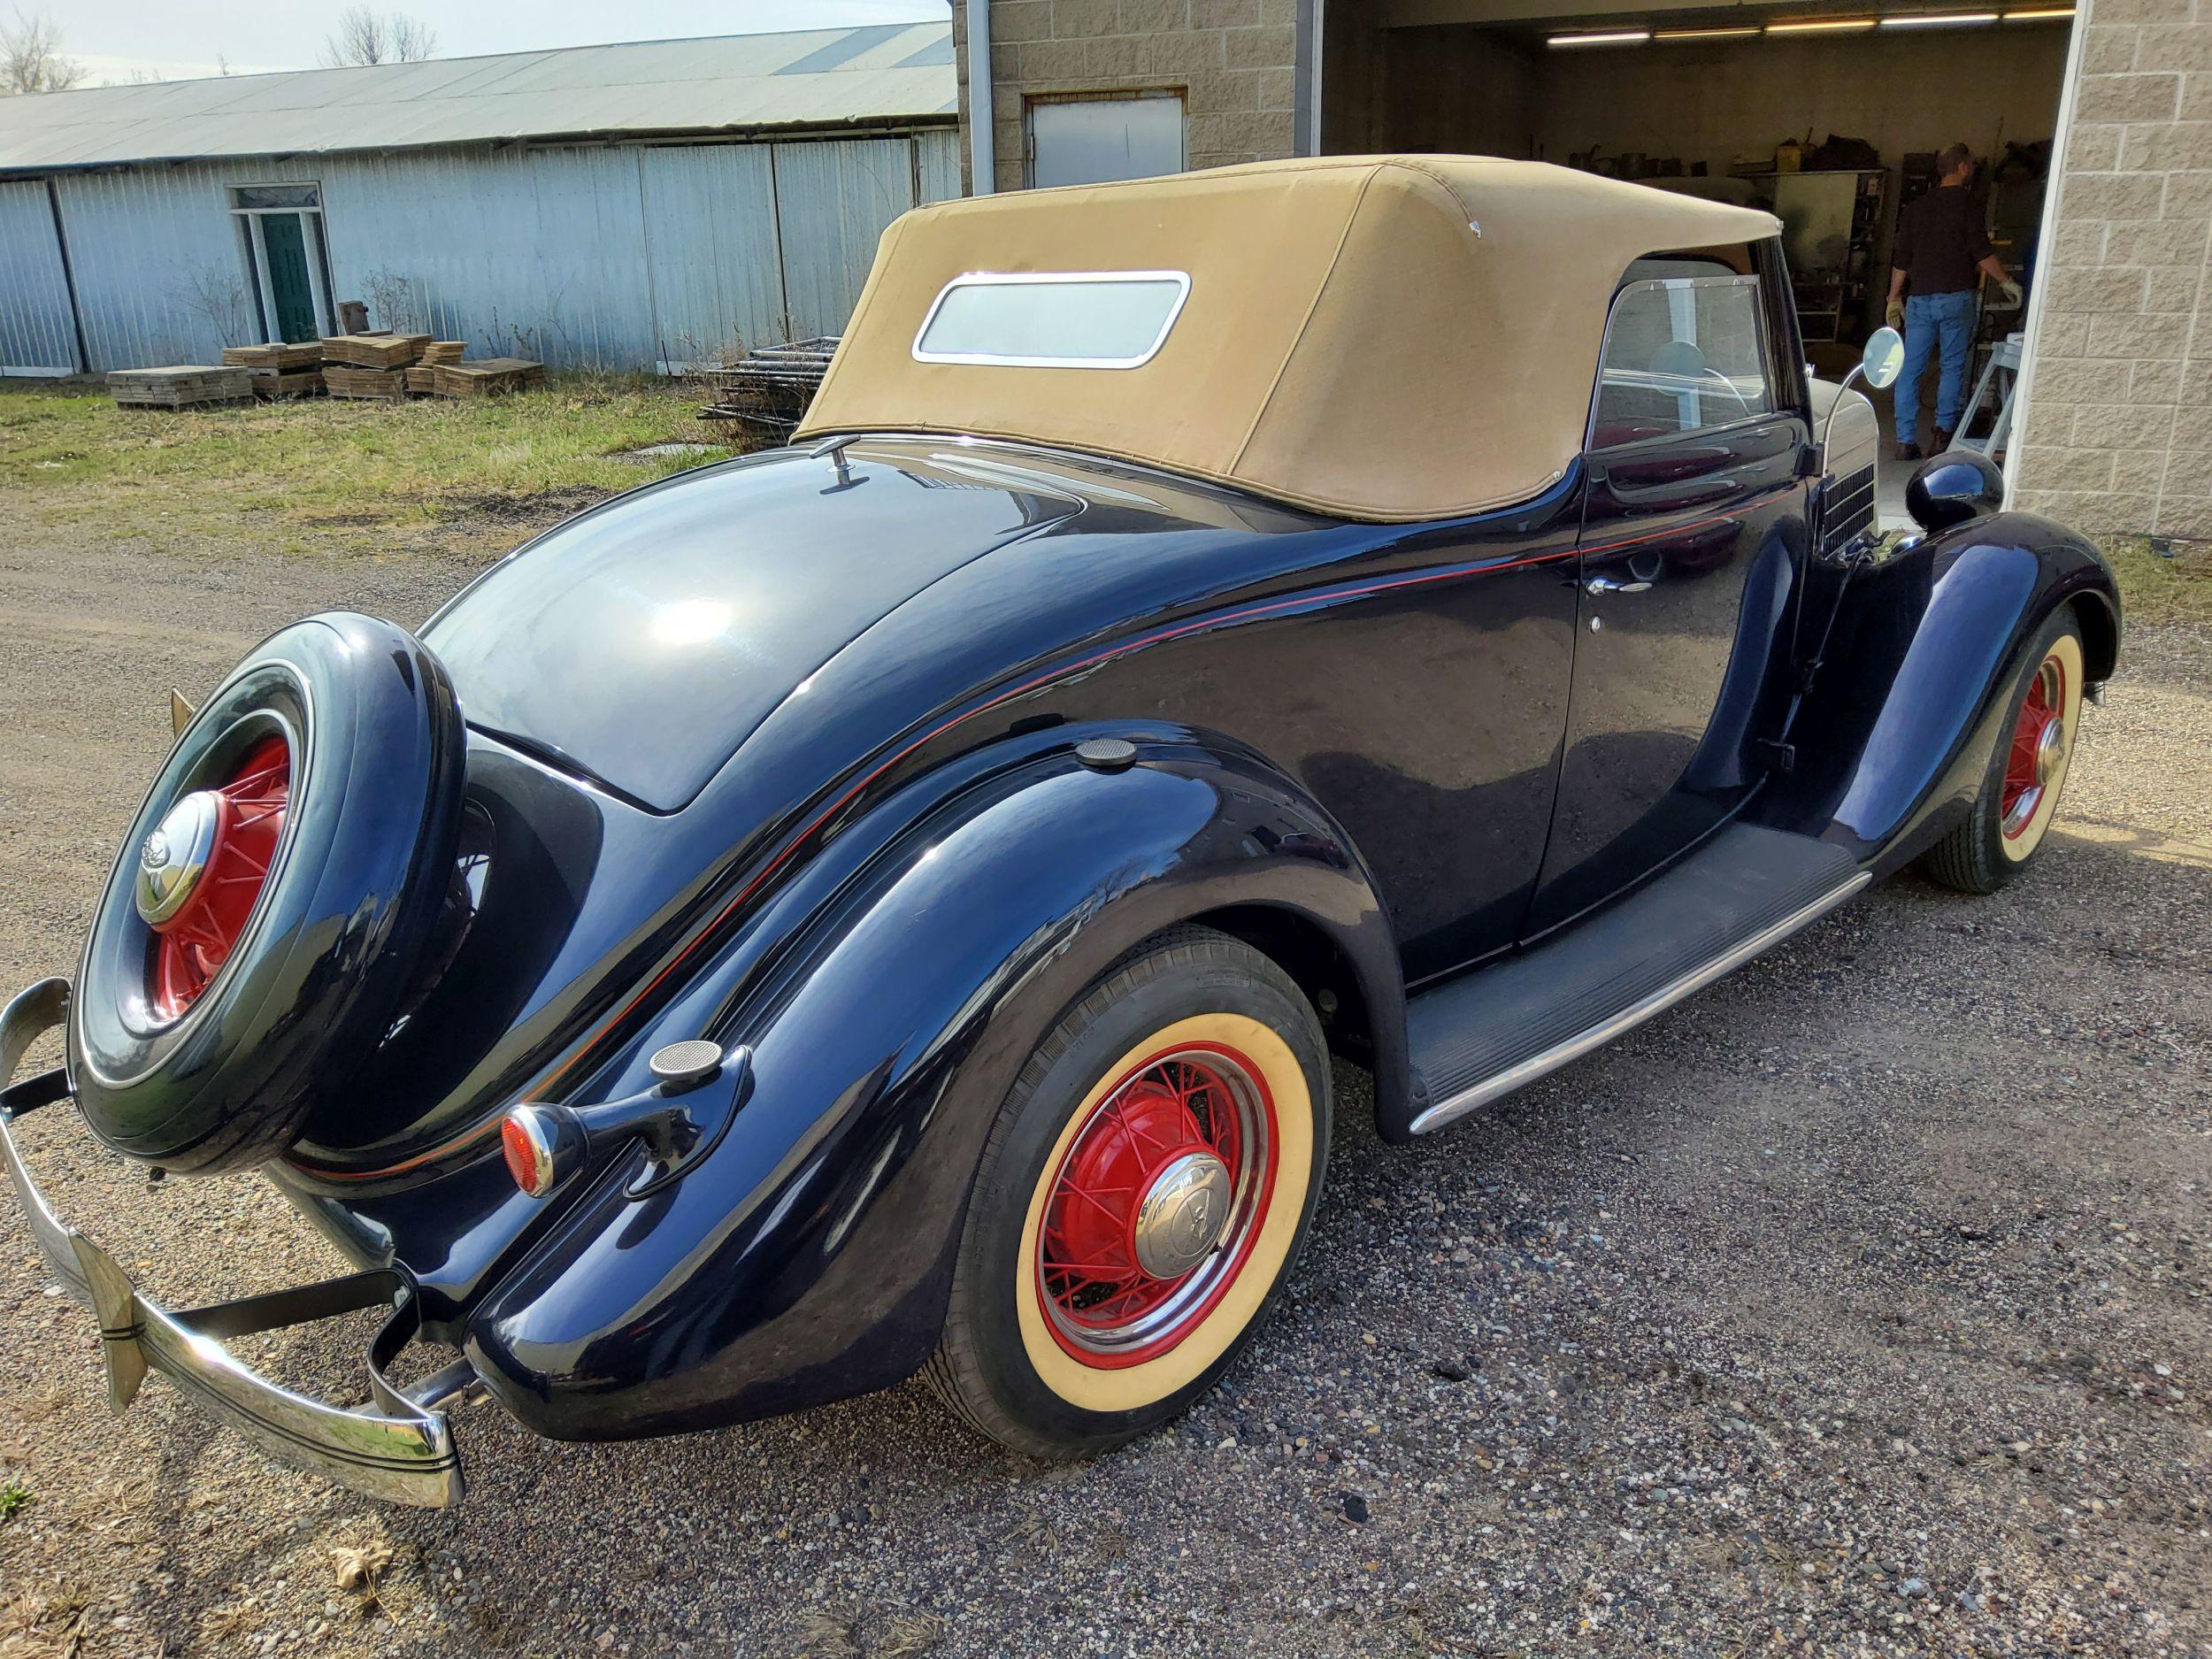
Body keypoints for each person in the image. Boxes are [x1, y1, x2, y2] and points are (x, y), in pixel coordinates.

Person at [1885, 142, 2021, 460]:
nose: (1971, 170)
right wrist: (2007, 281)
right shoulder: (1969, 204)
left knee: (1910, 369)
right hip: (1956, 298)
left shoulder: (1916, 208)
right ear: (1961, 168)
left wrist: (1893, 297)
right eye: (1970, 165)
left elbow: (1901, 259)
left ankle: (1905, 441)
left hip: (1918, 300)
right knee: (1952, 367)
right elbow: (1981, 251)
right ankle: (1942, 435)